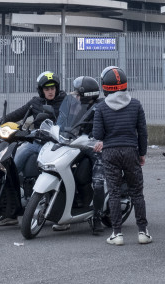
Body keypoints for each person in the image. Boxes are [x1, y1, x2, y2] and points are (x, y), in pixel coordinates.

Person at [92, 65, 151, 246]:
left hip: (110, 153)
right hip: (131, 150)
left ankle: (117, 234)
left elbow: (98, 134)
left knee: (115, 193)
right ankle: (142, 232)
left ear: (105, 87)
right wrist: (142, 153)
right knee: (137, 193)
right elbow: (142, 132)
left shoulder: (101, 107)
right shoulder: (135, 104)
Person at [54, 75, 105, 234]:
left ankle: (97, 219)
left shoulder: (100, 107)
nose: (74, 95)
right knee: (61, 170)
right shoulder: (75, 105)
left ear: (86, 94)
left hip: (96, 148)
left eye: (77, 92)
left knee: (97, 183)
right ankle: (63, 213)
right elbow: (66, 122)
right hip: (76, 144)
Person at [1, 71, 67, 194]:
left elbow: (77, 115)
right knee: (14, 163)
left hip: (56, 144)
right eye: (47, 89)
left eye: (52, 88)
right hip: (36, 142)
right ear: (41, 90)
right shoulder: (35, 102)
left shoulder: (65, 101)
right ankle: (8, 192)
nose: (50, 91)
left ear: (57, 88)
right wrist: (0, 121)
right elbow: (18, 113)